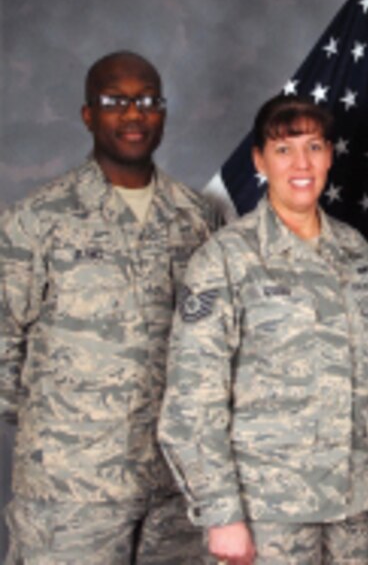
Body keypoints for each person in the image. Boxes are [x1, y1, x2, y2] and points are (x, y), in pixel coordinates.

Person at [0, 51, 217, 563]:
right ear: (88, 115)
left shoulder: (198, 219)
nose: (134, 114)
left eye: (147, 101)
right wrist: (66, 428)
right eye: (115, 101)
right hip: (71, 493)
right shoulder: (38, 219)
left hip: (174, 489)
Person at [158, 94, 368, 565]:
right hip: (266, 512)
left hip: (353, 505)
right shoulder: (225, 260)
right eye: (284, 149)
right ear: (259, 160)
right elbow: (192, 401)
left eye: (315, 147)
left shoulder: (358, 254)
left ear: (330, 155)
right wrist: (222, 516)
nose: (302, 163)